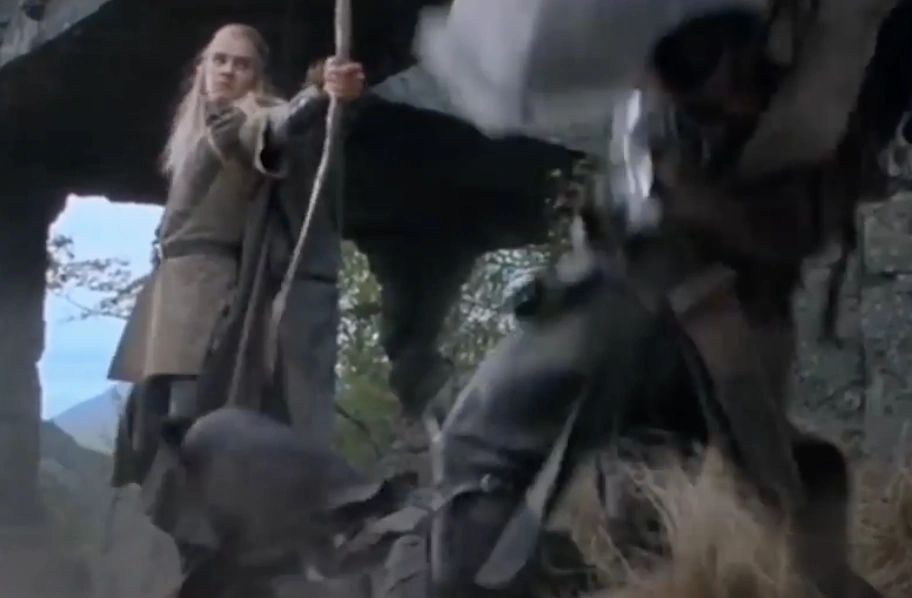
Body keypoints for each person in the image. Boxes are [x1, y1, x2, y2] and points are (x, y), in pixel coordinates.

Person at [428, 5, 890, 598]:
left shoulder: (802, 68)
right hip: (694, 275)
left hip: (681, 274)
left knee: (487, 446)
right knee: (665, 486)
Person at [107, 22, 365, 567]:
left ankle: (218, 552)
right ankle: (191, 553)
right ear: (201, 66)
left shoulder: (249, 116)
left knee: (193, 430)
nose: (227, 70)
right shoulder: (196, 128)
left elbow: (278, 126)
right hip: (170, 295)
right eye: (219, 59)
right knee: (151, 431)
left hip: (208, 297)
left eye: (241, 63)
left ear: (256, 76)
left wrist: (320, 96)